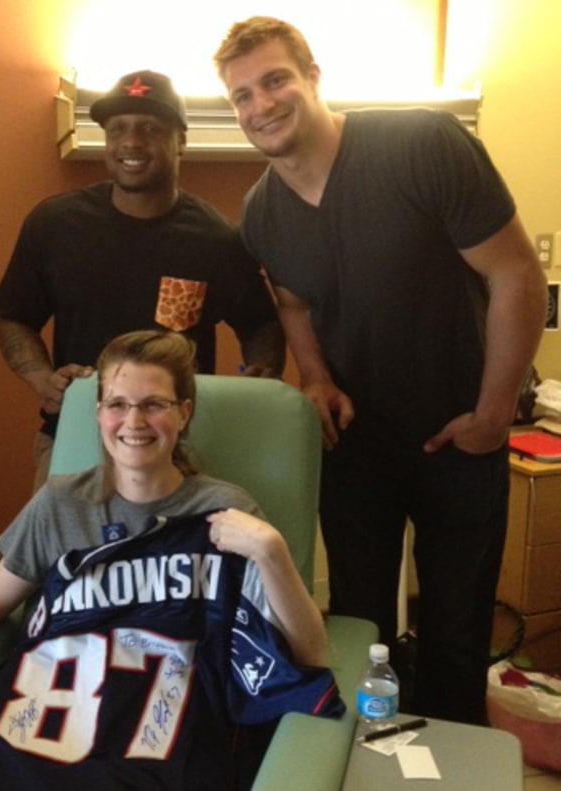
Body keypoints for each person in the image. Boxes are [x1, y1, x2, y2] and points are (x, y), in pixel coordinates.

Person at [0, 330, 342, 789]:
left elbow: (308, 652)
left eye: (154, 404)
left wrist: (269, 550)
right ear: (98, 414)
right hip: (48, 734)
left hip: (165, 741)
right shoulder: (60, 502)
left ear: (184, 412)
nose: (133, 421)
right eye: (117, 404)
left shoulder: (226, 512)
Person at [213, 17, 548, 725]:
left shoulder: (422, 143)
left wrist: (491, 415)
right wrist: (317, 378)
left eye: (275, 80)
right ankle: (368, 752)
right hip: (359, 442)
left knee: (457, 627)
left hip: (462, 431)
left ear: (312, 78)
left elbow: (518, 273)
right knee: (358, 623)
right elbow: (296, 301)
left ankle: (454, 759)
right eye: (241, 95)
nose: (260, 105)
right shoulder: (260, 212)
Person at [0, 69, 285, 490]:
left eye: (150, 129)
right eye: (118, 130)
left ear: (181, 140)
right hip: (74, 435)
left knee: (169, 556)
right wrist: (42, 380)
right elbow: (13, 315)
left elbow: (261, 324)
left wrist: (260, 378)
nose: (131, 142)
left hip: (176, 447)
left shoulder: (217, 239)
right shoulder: (54, 225)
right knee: (64, 555)